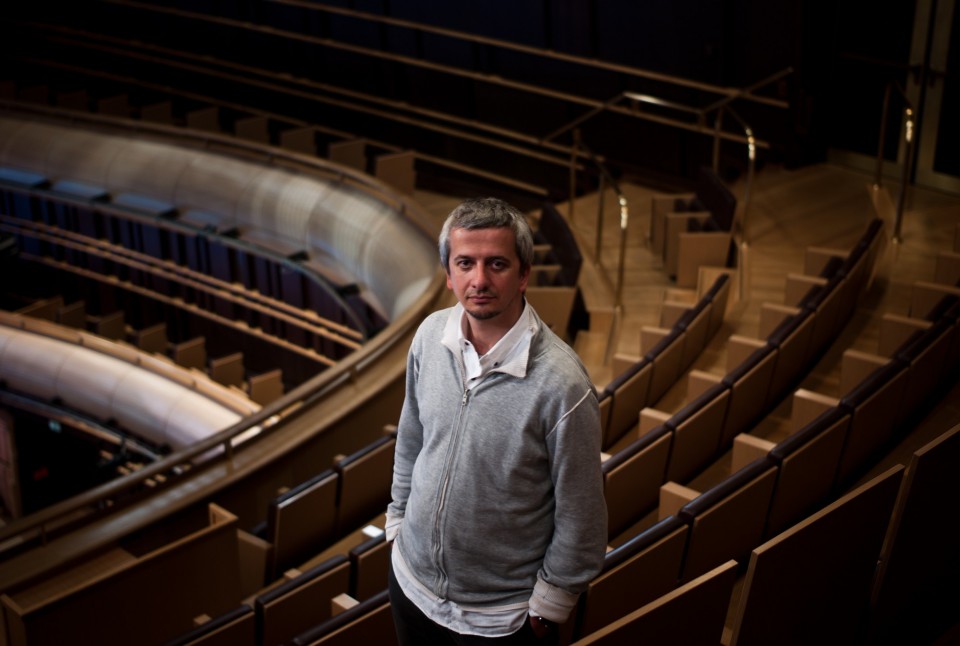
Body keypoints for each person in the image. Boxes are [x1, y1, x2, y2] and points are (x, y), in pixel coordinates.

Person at [386, 197, 607, 644]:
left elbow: (582, 513)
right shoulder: (429, 336)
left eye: (497, 264)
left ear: (524, 274)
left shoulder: (562, 386)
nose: (479, 280)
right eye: (465, 263)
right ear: (448, 274)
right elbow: (411, 438)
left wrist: (551, 603)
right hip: (410, 585)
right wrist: (397, 523)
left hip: (499, 619)